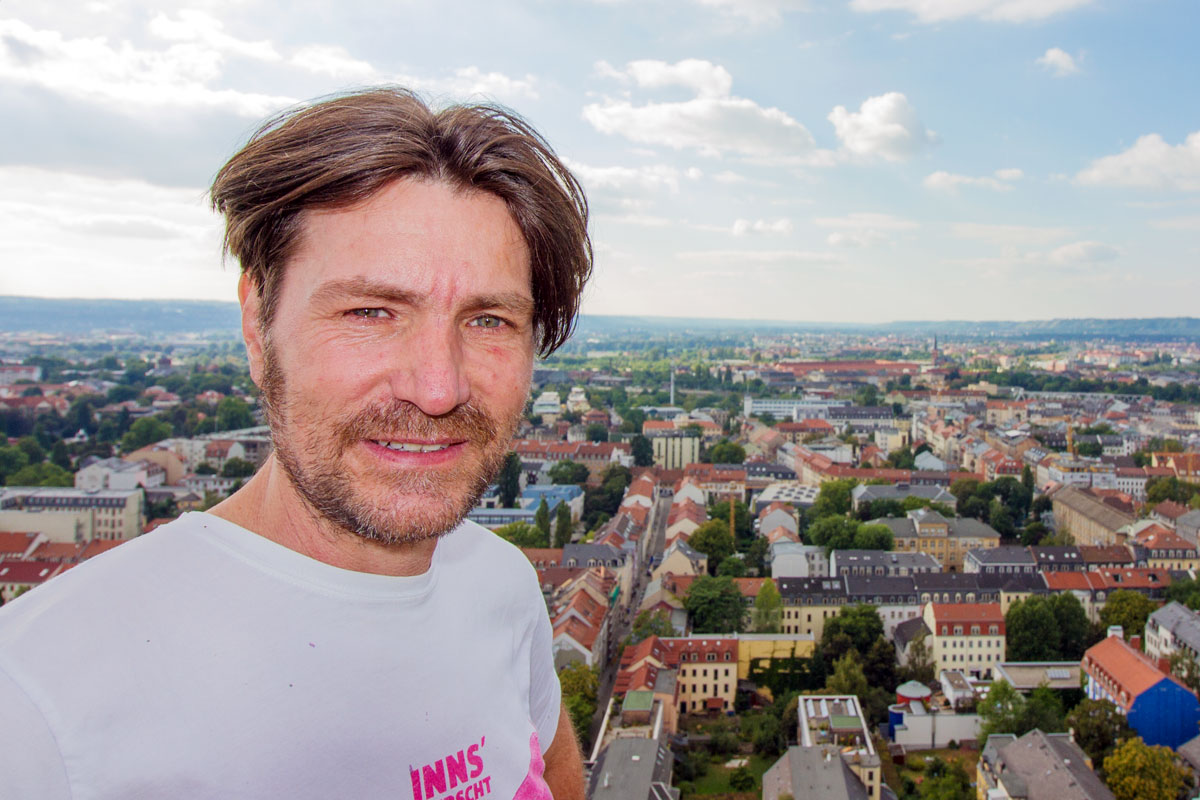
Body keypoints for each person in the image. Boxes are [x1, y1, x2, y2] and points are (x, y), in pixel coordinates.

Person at [0, 87, 592, 799]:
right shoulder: (38, 705)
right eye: (371, 311)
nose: (438, 388)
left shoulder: (500, 585)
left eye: (489, 319)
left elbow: (552, 775)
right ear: (258, 323)